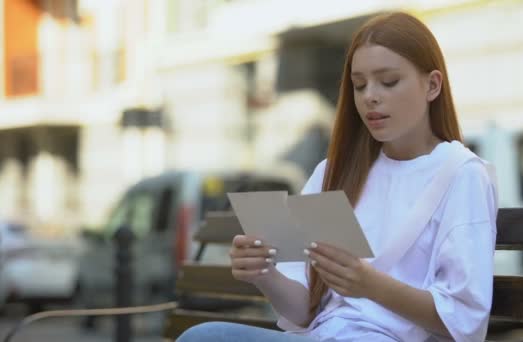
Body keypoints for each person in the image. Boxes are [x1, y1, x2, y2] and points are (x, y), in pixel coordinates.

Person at [177, 11, 497, 342]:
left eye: (388, 82)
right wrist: (264, 274)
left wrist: (370, 285)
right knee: (203, 336)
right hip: (323, 335)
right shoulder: (335, 171)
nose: (370, 96)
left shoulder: (462, 174)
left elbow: (464, 321)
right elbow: (304, 311)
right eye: (359, 85)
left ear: (432, 85)